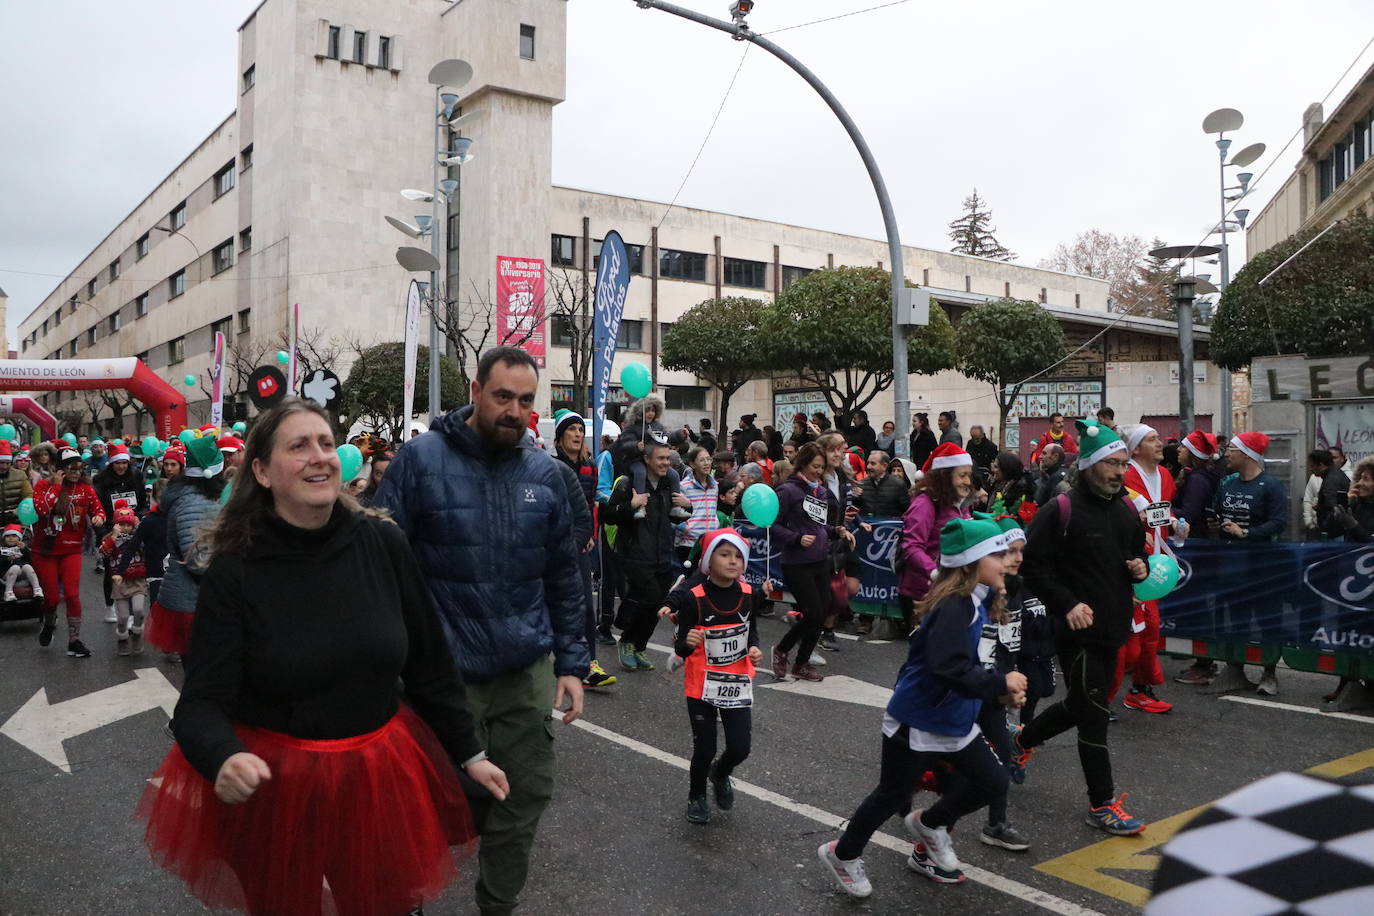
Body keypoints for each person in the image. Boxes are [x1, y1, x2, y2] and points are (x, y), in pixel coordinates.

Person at [137, 398, 508, 916]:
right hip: (278, 787)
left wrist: (471, 753)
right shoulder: (236, 569)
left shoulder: (382, 543)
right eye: (299, 446)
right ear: (262, 472)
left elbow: (429, 664)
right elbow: (200, 704)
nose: (320, 456)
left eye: (327, 443)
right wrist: (223, 756)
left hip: (378, 772)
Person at [374, 347, 589, 916]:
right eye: (502, 397)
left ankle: (497, 905)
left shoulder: (547, 474)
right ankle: (408, 896)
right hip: (441, 676)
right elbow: (380, 567)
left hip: (525, 669)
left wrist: (571, 662)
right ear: (474, 391)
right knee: (425, 802)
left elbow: (565, 575)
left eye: (525, 400)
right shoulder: (419, 461)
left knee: (525, 798)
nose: (514, 411)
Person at [818, 518, 1024, 895]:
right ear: (971, 562)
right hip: (918, 720)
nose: (1008, 561)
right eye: (999, 554)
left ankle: (930, 823)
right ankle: (842, 854)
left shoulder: (978, 600)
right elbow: (948, 666)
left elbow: (968, 665)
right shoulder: (955, 606)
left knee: (994, 781)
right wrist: (999, 684)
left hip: (955, 718)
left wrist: (999, 691)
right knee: (890, 795)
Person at [1012, 420, 1149, 835]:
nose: (1119, 473)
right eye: (1112, 464)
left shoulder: (1127, 510)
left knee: (1080, 704)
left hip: (1113, 627)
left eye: (1124, 465)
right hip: (1074, 632)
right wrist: (1067, 604)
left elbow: (1134, 557)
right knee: (1092, 713)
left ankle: (1019, 742)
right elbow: (1032, 567)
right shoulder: (1061, 510)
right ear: (1090, 465)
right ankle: (1102, 804)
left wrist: (1138, 568)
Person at [663, 529, 765, 824]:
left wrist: (755, 647)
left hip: (735, 682)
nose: (733, 561)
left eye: (738, 556)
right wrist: (688, 643)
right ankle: (696, 795)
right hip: (701, 684)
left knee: (740, 747)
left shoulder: (748, 595)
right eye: (724, 554)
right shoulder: (694, 598)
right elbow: (681, 645)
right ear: (709, 560)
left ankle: (720, 773)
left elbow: (751, 629)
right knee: (704, 748)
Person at [1208, 432, 1288, 696]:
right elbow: (1218, 511)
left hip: (1262, 566)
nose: (1227, 453)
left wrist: (1246, 534)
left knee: (1266, 620)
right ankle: (1235, 669)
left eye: (1232, 449)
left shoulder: (1271, 485)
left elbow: (1279, 522)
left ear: (1246, 454)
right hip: (1232, 566)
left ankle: (1269, 674)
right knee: (1237, 618)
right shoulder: (1228, 483)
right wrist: (1216, 525)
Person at [769, 443, 854, 682]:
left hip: (819, 560)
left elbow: (818, 526)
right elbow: (772, 526)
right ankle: (782, 650)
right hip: (796, 563)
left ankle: (801, 663)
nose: (819, 471)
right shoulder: (788, 491)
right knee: (814, 613)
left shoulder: (821, 492)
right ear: (803, 464)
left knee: (822, 612)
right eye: (815, 466)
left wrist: (837, 530)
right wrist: (795, 538)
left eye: (822, 467)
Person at [605, 440, 688, 671]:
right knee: (650, 598)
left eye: (667, 459)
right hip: (635, 553)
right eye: (660, 458)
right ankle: (627, 639)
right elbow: (609, 515)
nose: (665, 463)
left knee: (660, 605)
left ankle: (639, 646)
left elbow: (676, 517)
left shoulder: (668, 485)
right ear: (647, 459)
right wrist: (631, 505)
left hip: (662, 553)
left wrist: (687, 506)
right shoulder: (628, 482)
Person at [1118, 424, 1184, 715]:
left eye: (1159, 438)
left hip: (1153, 567)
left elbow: (1162, 513)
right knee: (1127, 639)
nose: (1161, 443)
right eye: (1152, 439)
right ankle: (1098, 695)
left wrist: (1178, 525)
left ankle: (1139, 690)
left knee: (1149, 630)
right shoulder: (1124, 475)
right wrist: (1134, 532)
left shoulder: (1166, 476)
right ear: (1135, 448)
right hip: (1126, 566)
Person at [550, 413, 616, 691]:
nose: (577, 434)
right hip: (551, 546)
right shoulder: (550, 467)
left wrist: (590, 534)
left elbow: (590, 505)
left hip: (580, 545)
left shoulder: (590, 467)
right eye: (571, 430)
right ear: (559, 437)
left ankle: (589, 664)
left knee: (586, 607)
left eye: (580, 430)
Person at [146, 437, 226, 664]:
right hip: (195, 602)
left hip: (193, 600)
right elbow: (199, 560)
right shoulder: (196, 503)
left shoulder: (193, 498)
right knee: (203, 679)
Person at [32, 448, 106, 657]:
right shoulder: (44, 485)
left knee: (72, 595)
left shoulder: (85, 489)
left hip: (72, 549)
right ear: (60, 469)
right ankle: (48, 622)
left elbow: (97, 509)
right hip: (45, 550)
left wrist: (99, 517)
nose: (75, 472)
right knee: (53, 598)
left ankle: (74, 641)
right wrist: (56, 485)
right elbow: (42, 509)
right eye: (71, 468)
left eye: (79, 468)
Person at [897, 444, 974, 627]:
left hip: (952, 591)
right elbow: (912, 547)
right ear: (945, 476)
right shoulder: (925, 503)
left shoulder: (961, 503)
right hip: (924, 591)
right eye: (962, 475)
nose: (968, 481)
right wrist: (936, 573)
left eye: (969, 475)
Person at [996, 515, 1055, 726]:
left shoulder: (1018, 583)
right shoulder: (985, 594)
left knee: (1043, 688)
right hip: (990, 680)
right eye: (1011, 551)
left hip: (1011, 667)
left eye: (1021, 551)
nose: (1019, 558)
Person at [94, 442, 148, 622]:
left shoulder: (136, 477)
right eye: (118, 463)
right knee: (112, 569)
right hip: (112, 530)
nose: (121, 466)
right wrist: (103, 532)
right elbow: (98, 508)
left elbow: (143, 504)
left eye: (124, 463)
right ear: (111, 463)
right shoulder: (101, 480)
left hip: (133, 530)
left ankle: (132, 609)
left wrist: (140, 516)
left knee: (134, 567)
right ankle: (110, 605)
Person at [616, 394, 688, 521]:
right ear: (640, 411)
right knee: (640, 473)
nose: (650, 413)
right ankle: (640, 506)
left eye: (653, 410)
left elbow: (667, 438)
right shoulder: (632, 427)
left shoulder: (658, 426)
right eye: (647, 410)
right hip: (636, 460)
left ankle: (676, 506)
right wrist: (636, 446)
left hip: (654, 462)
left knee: (674, 475)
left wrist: (680, 435)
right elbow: (624, 443)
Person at [100, 501, 148, 656]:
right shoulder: (111, 539)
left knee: (139, 610)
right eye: (122, 525)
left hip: (138, 580)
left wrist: (140, 531)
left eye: (129, 524)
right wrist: (113, 537)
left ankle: (137, 633)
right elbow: (103, 553)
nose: (126, 528)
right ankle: (122, 638)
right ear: (116, 525)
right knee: (123, 617)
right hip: (120, 582)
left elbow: (149, 549)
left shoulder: (138, 539)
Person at [678, 446, 720, 570]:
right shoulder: (684, 486)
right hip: (690, 543)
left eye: (709, 459)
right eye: (702, 460)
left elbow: (714, 511)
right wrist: (686, 528)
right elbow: (675, 515)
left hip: (710, 542)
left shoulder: (715, 486)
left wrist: (715, 524)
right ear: (692, 464)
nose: (707, 463)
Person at [1304, 449, 1350, 539]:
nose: (1310, 469)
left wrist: (1323, 530)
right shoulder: (1335, 475)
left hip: (1334, 534)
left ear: (1321, 465)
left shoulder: (1331, 481)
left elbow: (1333, 510)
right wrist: (1321, 507)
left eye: (1312, 465)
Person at [854, 450, 910, 518]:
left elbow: (907, 511)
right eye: (868, 463)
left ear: (884, 466)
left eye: (873, 463)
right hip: (867, 526)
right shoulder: (861, 484)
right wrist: (854, 497)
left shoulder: (898, 485)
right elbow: (855, 511)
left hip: (891, 527)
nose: (868, 467)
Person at [0, 523, 42, 603]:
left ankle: (37, 589)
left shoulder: (23, 549)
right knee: (15, 568)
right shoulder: (2, 550)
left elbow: (32, 561)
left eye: (14, 536)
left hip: (24, 575)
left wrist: (25, 550)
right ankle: (8, 592)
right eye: (8, 536)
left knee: (27, 566)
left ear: (19, 538)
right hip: (7, 575)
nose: (11, 539)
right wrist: (8, 559)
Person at [987, 451, 1035, 518]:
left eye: (996, 467)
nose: (993, 470)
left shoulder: (1020, 489)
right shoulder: (998, 485)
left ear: (1005, 469)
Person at [0, 441, 33, 525]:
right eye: (1, 463)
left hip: (15, 521)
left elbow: (28, 496)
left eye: (7, 463)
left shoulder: (20, 475)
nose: (4, 466)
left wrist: (18, 511)